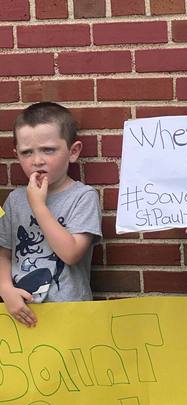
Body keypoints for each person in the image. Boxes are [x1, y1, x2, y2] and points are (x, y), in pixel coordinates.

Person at [0, 102, 102, 328]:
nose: (37, 160)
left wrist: (39, 207)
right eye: (27, 152)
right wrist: (5, 289)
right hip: (20, 313)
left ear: (73, 151)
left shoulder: (83, 197)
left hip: (70, 315)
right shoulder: (15, 200)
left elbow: (71, 253)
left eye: (48, 150)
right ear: (16, 154)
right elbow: (3, 253)